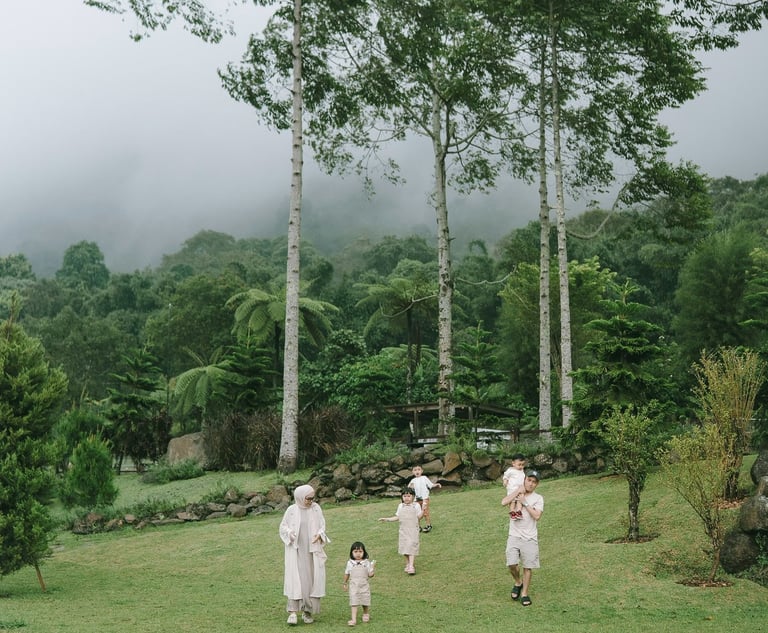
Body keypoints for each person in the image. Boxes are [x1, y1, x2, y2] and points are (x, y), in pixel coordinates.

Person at [279, 484, 330, 625]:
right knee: (295, 580)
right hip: (296, 551)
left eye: (313, 498)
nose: (311, 501)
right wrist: (290, 533)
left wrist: (320, 535)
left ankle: (307, 611)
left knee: (310, 581)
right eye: (308, 498)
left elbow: (322, 525)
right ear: (300, 497)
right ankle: (293, 612)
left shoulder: (315, 509)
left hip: (311, 552)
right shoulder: (292, 510)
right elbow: (283, 527)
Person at [501, 470, 544, 607]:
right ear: (524, 480)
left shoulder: (538, 498)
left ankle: (524, 593)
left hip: (530, 537)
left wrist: (524, 502)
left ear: (537, 484)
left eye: (534, 482)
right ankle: (518, 582)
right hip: (514, 535)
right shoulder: (517, 492)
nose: (531, 484)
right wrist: (517, 492)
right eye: (529, 480)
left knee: (527, 566)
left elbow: (537, 516)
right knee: (511, 564)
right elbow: (503, 502)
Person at [378, 488, 423, 574]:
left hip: (413, 530)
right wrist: (387, 519)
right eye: (405, 496)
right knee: (405, 548)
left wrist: (423, 510)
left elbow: (419, 517)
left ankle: (411, 566)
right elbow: (397, 517)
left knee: (411, 546)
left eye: (409, 496)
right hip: (403, 530)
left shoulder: (416, 505)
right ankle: (408, 564)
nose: (406, 498)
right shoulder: (400, 506)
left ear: (413, 497)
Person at [342, 541, 375, 626]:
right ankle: (353, 619)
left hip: (364, 585)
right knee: (354, 602)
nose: (358, 554)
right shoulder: (350, 563)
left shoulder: (366, 563)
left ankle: (366, 613)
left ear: (364, 552)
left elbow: (370, 575)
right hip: (354, 586)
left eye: (360, 551)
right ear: (351, 552)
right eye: (355, 552)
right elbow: (347, 573)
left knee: (365, 600)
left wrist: (372, 569)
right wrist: (344, 583)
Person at [408, 464, 441, 532]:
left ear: (422, 471)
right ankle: (418, 527)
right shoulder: (413, 480)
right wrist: (411, 488)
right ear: (412, 472)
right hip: (416, 500)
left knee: (425, 512)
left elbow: (431, 485)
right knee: (417, 513)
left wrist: (437, 484)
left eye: (419, 469)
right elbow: (409, 489)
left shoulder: (424, 478)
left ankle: (428, 525)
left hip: (424, 498)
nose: (417, 471)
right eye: (415, 470)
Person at [502, 454, 527, 520]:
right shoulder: (511, 470)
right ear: (513, 463)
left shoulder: (521, 470)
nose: (521, 466)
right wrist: (505, 481)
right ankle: (512, 512)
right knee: (512, 502)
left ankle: (519, 511)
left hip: (520, 489)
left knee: (519, 500)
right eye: (519, 464)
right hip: (512, 490)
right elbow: (506, 476)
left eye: (523, 464)